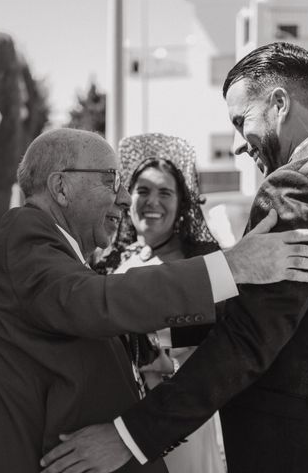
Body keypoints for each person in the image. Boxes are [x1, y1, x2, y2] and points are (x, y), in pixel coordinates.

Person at [40, 42, 308, 473]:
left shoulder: (297, 187)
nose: (237, 145)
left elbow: (248, 337)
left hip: (302, 454)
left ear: (279, 104)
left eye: (240, 120)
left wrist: (129, 437)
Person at [0, 127, 308, 473]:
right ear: (61, 187)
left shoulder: (56, 250)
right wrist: (230, 267)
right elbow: (92, 303)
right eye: (111, 180)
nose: (124, 196)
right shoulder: (25, 239)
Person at [100, 132, 227, 473]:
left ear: (181, 203)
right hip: (117, 422)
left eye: (165, 192)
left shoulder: (198, 268)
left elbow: (217, 345)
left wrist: (159, 348)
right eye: (143, 191)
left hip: (176, 416)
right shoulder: (111, 263)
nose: (152, 202)